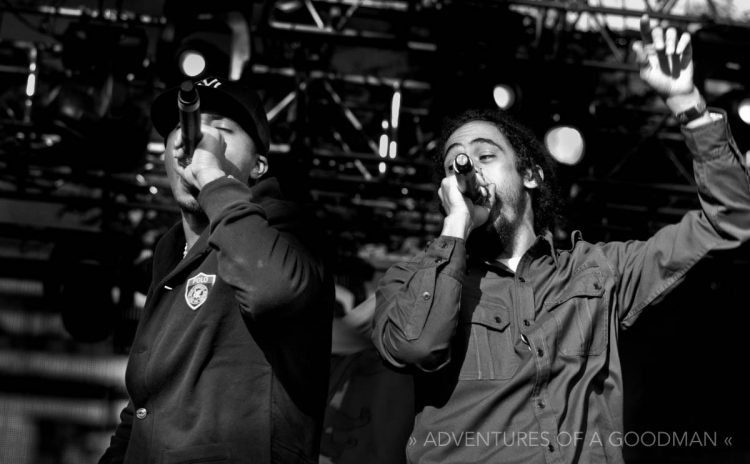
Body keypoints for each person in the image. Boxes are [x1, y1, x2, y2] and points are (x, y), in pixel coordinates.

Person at [372, 17, 750, 464]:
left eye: (485, 155)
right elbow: (417, 346)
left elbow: (731, 220)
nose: (467, 167)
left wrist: (687, 103)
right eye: (456, 163)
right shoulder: (410, 280)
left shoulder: (598, 270)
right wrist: (456, 225)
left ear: (530, 174)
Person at [99, 76, 333, 464]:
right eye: (184, 128)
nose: (196, 140)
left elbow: (271, 290)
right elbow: (146, 404)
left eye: (221, 131)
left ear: (258, 165)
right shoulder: (170, 250)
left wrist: (213, 178)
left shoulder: (284, 228)